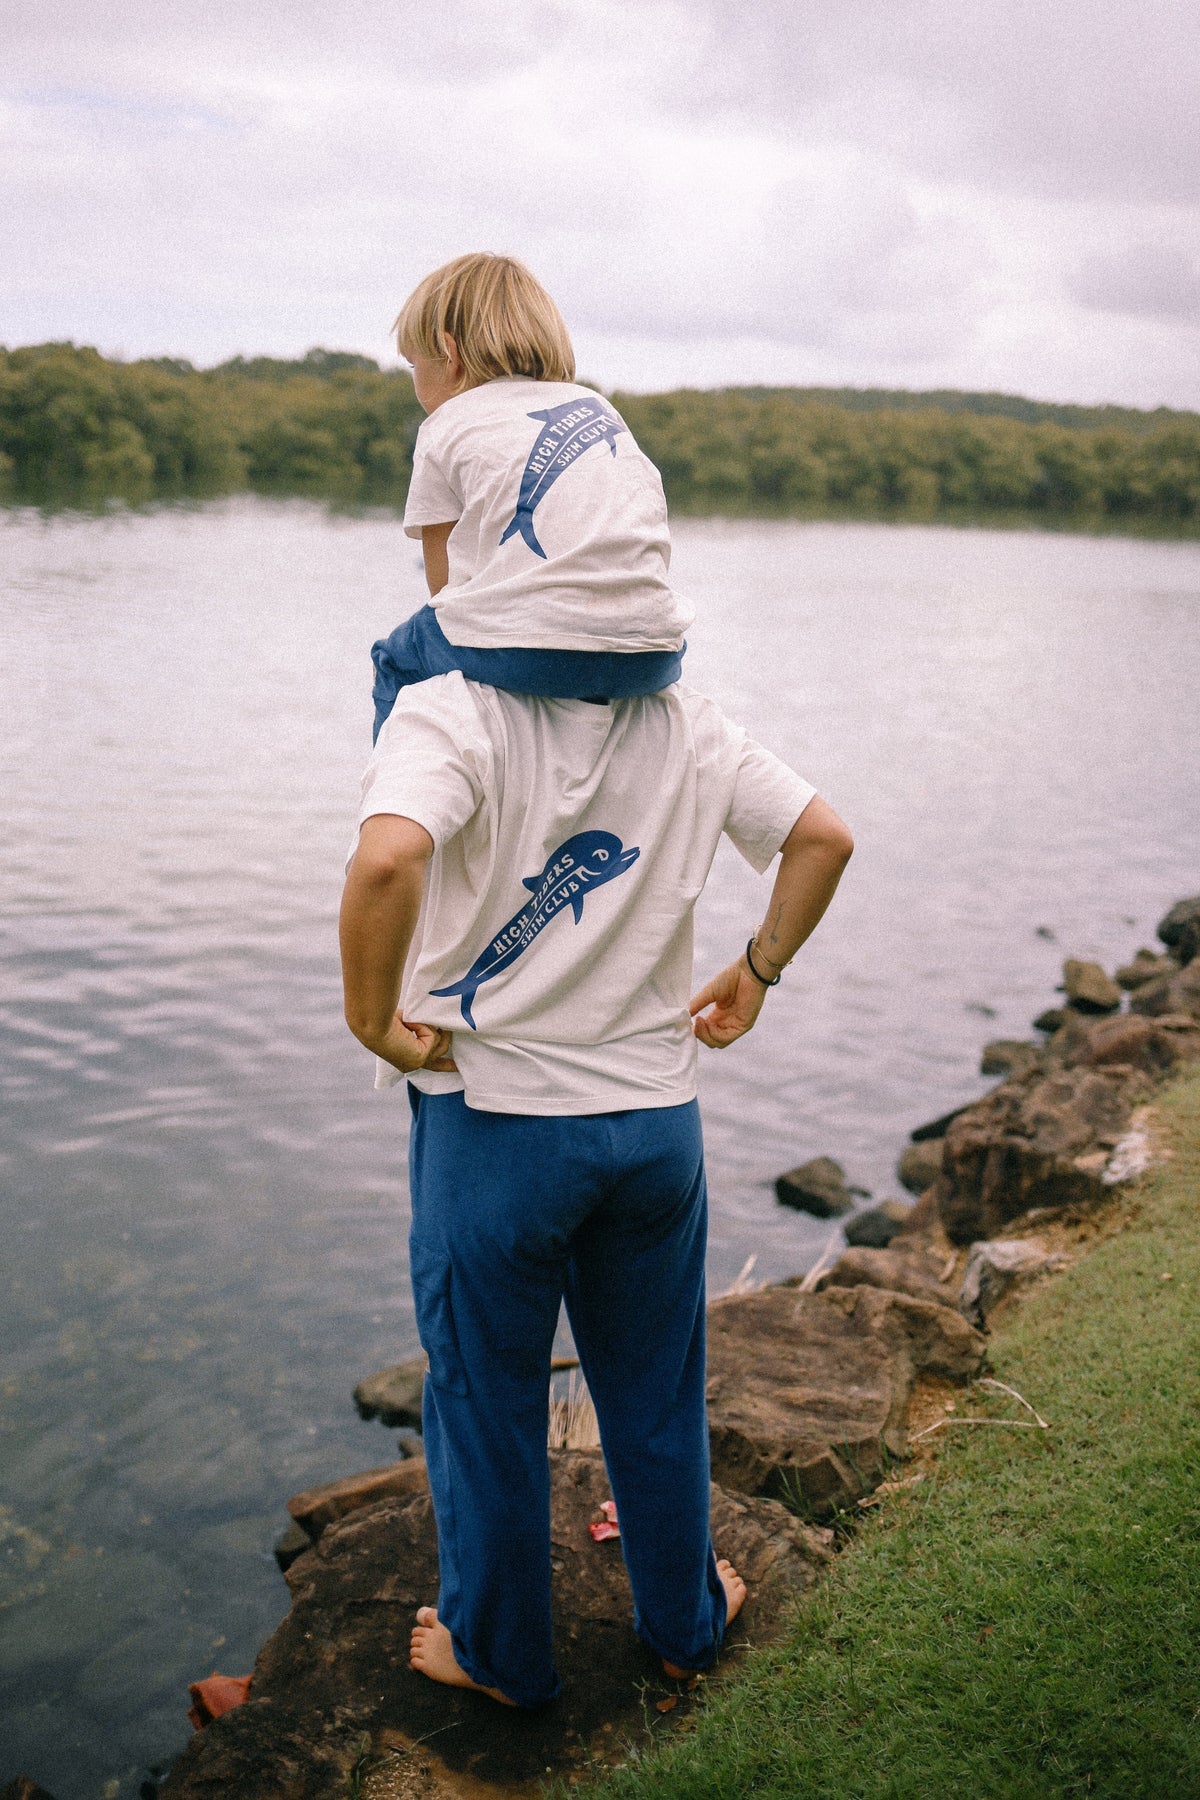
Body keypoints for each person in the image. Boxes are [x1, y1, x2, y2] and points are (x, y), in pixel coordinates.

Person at [339, 670, 853, 1707]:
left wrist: (372, 1022)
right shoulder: (688, 719)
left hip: (495, 1127)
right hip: (655, 1129)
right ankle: (684, 1626)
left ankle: (500, 1658)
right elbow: (824, 839)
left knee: (486, 1402)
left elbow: (387, 859)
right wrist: (758, 970)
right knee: (655, 1390)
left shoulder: (452, 708)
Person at [370, 252, 692, 743]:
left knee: (396, 660)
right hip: (653, 653)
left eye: (414, 364)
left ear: (449, 354)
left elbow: (444, 590)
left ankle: (399, 778)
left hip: (535, 656)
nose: (414, 379)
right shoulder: (598, 406)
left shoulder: (443, 426)